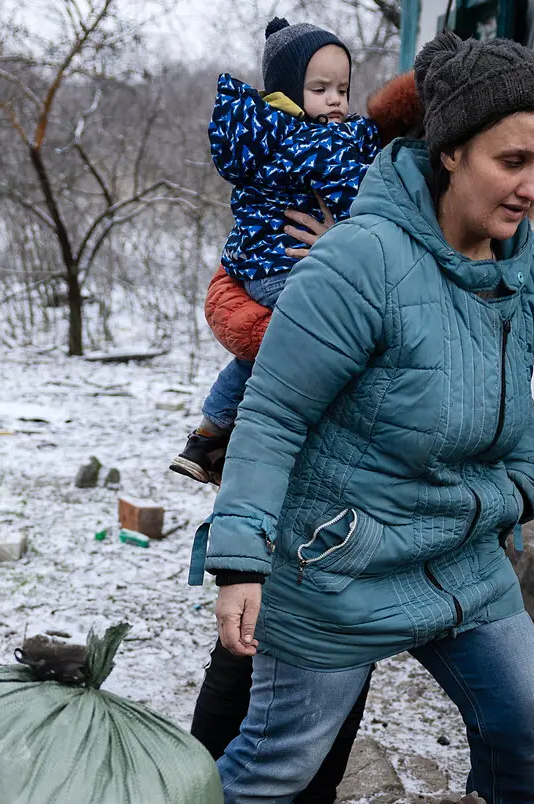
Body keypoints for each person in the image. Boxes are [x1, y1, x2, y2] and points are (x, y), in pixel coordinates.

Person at [196, 33, 534, 804]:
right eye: (513, 161)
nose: (532, 188)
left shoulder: (529, 267)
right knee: (277, 759)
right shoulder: (359, 261)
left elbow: (507, 390)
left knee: (525, 713)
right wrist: (241, 559)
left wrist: (521, 485)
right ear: (450, 151)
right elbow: (273, 414)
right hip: (341, 558)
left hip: (458, 548)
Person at [169, 17, 378, 485]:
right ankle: (242, 435)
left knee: (267, 352)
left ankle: (210, 437)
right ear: (287, 91)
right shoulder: (302, 139)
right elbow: (360, 196)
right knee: (331, 330)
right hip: (281, 265)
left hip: (261, 265)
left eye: (343, 89)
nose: (336, 100)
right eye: (320, 89)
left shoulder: (272, 132)